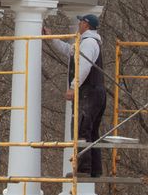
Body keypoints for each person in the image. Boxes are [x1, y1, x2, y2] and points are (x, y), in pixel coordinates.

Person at [45, 14, 107, 177]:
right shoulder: (88, 42)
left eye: (81, 22)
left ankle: (83, 169)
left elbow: (84, 67)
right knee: (91, 131)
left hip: (89, 92)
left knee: (81, 129)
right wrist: (52, 38)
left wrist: (73, 87)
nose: (78, 24)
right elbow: (68, 50)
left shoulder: (88, 43)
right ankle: (95, 170)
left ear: (86, 25)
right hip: (96, 92)